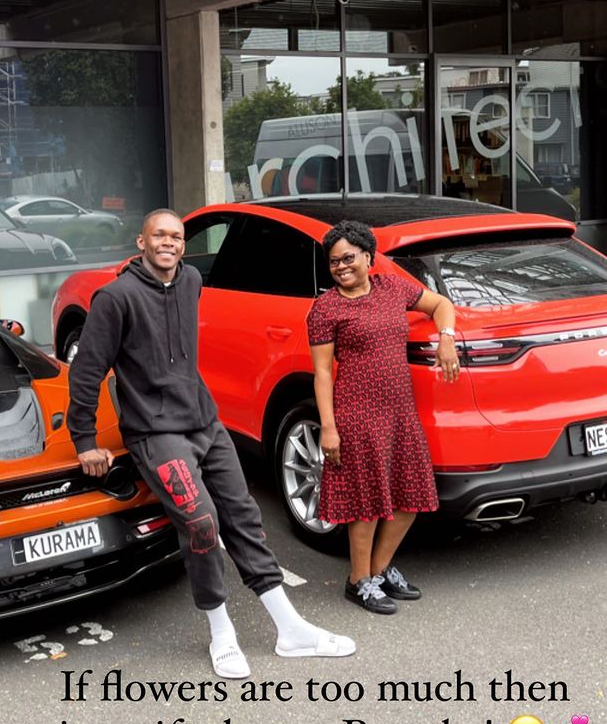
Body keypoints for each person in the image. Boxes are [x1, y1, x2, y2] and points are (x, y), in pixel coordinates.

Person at [66, 208, 355, 677]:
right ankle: (222, 634)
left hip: (205, 422)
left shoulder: (191, 281)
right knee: (201, 523)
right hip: (156, 433)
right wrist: (84, 439)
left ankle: (291, 629)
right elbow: (87, 369)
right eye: (158, 235)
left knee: (243, 515)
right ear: (141, 242)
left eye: (176, 237)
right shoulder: (115, 298)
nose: (169, 243)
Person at [307, 219, 459, 615]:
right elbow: (322, 372)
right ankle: (358, 581)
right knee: (366, 501)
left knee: (410, 494)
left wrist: (447, 339)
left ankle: (378, 571)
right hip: (356, 412)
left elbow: (441, 304)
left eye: (348, 258)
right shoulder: (326, 308)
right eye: (334, 261)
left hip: (399, 411)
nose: (341, 267)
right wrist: (328, 427)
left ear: (368, 257)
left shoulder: (393, 287)